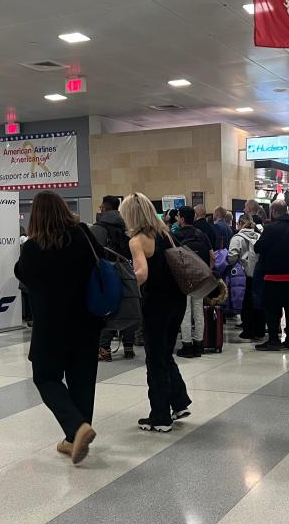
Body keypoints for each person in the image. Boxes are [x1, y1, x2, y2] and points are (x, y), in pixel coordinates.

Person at [15, 191, 101, 465]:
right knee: (82, 380)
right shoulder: (83, 235)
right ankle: (73, 437)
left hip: (50, 326)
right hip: (87, 321)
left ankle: (76, 429)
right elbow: (100, 262)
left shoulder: (32, 247)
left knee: (46, 378)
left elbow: (21, 273)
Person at [121, 192, 192, 431]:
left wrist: (123, 286)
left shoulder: (137, 240)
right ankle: (179, 401)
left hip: (156, 305)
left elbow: (141, 273)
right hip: (177, 302)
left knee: (155, 358)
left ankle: (160, 417)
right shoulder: (166, 234)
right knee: (165, 354)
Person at [254, 199, 289, 351]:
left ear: (274, 212)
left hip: (274, 275)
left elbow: (258, 247)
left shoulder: (270, 228)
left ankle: (274, 340)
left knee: (272, 309)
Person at [90, 195, 136, 361]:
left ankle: (104, 348)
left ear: (104, 207)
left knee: (108, 310)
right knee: (127, 306)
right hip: (127, 271)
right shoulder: (128, 227)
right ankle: (129, 346)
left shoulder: (97, 229)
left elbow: (92, 254)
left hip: (106, 274)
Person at [175, 206, 214, 358]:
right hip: (200, 278)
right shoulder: (202, 235)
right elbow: (212, 257)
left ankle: (187, 345)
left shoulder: (176, 235)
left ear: (183, 219)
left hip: (184, 279)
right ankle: (199, 344)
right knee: (198, 311)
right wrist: (207, 272)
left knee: (185, 312)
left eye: (178, 216)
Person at [227, 214, 265, 340]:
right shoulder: (259, 235)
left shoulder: (237, 238)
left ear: (239, 224)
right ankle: (260, 329)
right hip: (259, 273)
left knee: (247, 303)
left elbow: (232, 257)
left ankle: (248, 330)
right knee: (258, 302)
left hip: (245, 274)